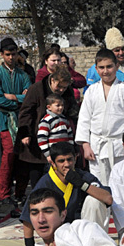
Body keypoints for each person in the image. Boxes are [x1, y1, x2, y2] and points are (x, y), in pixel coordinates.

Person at [19, 142, 113, 246]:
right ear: (53, 163)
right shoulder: (45, 183)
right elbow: (27, 217)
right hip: (59, 236)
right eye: (61, 161)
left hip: (84, 232)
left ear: (76, 158)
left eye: (70, 159)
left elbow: (108, 198)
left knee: (94, 201)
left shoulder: (82, 176)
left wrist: (82, 185)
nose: (67, 164)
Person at [75, 48, 124, 185]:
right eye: (101, 67)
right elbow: (84, 120)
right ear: (96, 68)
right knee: (99, 185)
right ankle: (103, 207)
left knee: (123, 184)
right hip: (97, 147)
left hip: (119, 146)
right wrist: (85, 145)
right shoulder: (91, 91)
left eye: (109, 67)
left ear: (116, 66)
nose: (105, 71)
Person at [16, 65, 79, 196]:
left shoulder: (67, 91)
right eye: (59, 87)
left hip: (59, 136)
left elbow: (72, 110)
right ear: (52, 80)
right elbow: (26, 112)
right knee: (37, 171)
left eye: (64, 88)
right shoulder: (36, 89)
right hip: (38, 136)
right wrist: (25, 133)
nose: (61, 90)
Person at [0, 37, 31, 205]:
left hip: (22, 120)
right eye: (8, 54)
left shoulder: (23, 74)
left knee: (23, 157)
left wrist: (14, 97)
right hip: (5, 120)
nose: (11, 57)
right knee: (8, 156)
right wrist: (20, 99)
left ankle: (20, 192)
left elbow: (29, 97)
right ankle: (3, 194)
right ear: (2, 55)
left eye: (13, 54)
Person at [36, 94, 74, 158]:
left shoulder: (64, 119)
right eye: (58, 105)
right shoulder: (46, 120)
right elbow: (41, 138)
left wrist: (71, 148)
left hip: (65, 151)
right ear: (49, 107)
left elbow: (70, 135)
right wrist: (47, 154)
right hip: (53, 153)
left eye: (62, 105)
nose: (61, 107)